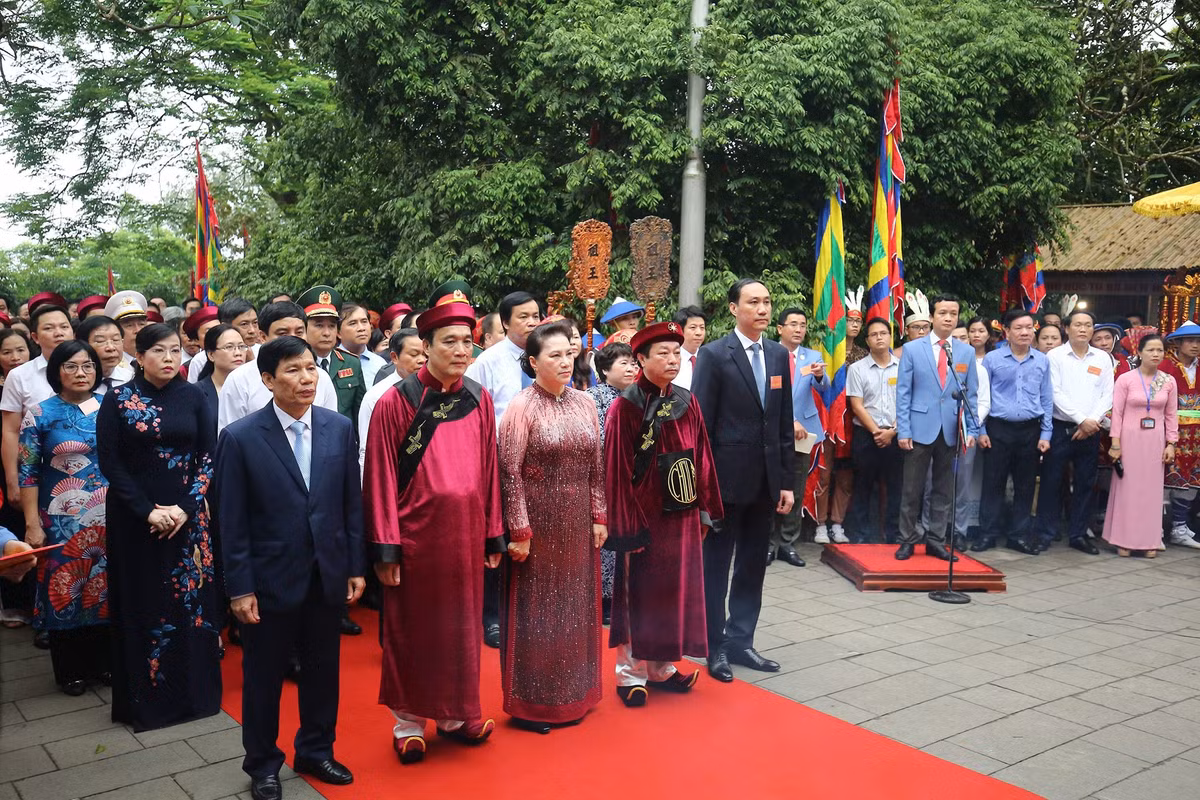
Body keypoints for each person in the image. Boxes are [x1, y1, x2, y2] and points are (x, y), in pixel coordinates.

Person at [215, 336, 365, 799]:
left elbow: (350, 505)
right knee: (263, 679)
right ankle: (262, 763)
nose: (306, 378)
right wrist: (239, 588)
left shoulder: (337, 428)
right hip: (269, 578)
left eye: (310, 369)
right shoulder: (239, 438)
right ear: (267, 379)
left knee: (324, 671)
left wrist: (355, 566)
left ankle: (316, 750)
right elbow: (231, 522)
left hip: (326, 573)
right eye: (293, 371)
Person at [362, 302, 504, 762]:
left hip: (465, 537)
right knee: (414, 630)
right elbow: (380, 477)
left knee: (462, 628)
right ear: (425, 346)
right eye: (450, 341)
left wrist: (492, 533)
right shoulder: (395, 402)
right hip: (416, 541)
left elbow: (489, 469)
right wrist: (387, 548)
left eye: (467, 341)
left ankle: (457, 714)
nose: (461, 350)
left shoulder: (479, 398)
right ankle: (408, 721)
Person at [97, 323, 219, 731]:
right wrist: (148, 510)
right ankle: (146, 701)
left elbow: (208, 456)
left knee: (190, 604)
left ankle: (194, 697)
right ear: (140, 357)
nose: (169, 359)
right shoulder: (118, 400)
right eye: (159, 352)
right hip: (136, 520)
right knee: (143, 600)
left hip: (188, 520)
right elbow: (110, 463)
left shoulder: (195, 396)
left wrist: (186, 507)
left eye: (175, 351)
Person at [603, 321, 722, 706]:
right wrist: (625, 525)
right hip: (644, 518)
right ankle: (630, 674)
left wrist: (706, 509)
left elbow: (702, 456)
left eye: (676, 352)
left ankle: (661, 668)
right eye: (662, 354)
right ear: (640, 359)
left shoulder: (687, 400)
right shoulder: (626, 406)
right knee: (640, 595)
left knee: (672, 593)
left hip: (681, 515)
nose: (673, 360)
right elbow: (616, 470)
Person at [497, 320, 606, 733]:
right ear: (533, 362)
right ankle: (534, 704)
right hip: (538, 526)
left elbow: (597, 464)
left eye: (568, 353)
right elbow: (509, 472)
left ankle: (576, 693)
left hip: (578, 522)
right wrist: (520, 531)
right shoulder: (521, 407)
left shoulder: (584, 403)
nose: (565, 362)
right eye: (554, 355)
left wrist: (600, 515)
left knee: (577, 608)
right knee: (538, 612)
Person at [693, 278, 793, 682]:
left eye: (767, 301)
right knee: (716, 565)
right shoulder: (715, 356)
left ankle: (741, 640)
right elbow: (700, 427)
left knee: (753, 565)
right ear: (734, 309)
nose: (763, 309)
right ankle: (713, 646)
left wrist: (785, 480)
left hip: (766, 480)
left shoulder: (778, 355)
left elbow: (783, 421)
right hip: (725, 481)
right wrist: (704, 486)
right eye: (754, 302)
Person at [18, 340, 110, 696]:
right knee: (64, 589)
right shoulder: (40, 414)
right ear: (57, 371)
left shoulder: (109, 407)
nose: (81, 372)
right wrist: (31, 522)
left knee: (104, 586)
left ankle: (104, 665)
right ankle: (70, 670)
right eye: (71, 366)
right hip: (60, 518)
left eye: (88, 365)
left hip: (108, 513)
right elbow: (27, 471)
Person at [466, 290, 541, 648]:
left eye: (536, 315)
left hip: (541, 464)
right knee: (500, 537)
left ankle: (529, 611)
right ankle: (492, 617)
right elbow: (478, 415)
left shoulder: (545, 355)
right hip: (499, 460)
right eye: (524, 317)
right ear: (506, 322)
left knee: (534, 539)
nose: (532, 322)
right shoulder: (488, 361)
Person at [895, 294, 978, 561]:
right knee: (912, 489)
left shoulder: (965, 352)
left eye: (953, 313)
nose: (948, 318)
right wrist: (904, 430)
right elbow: (903, 393)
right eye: (943, 313)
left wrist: (973, 430)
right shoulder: (913, 349)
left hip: (952, 429)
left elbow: (971, 394)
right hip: (919, 428)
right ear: (932, 317)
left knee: (944, 489)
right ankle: (907, 539)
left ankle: (936, 540)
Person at [1036, 310, 1114, 554]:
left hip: (1091, 430)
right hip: (1060, 428)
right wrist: (1081, 419)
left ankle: (1078, 534)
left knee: (1085, 483)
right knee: (1051, 482)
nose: (1083, 329)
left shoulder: (1102, 358)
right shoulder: (1055, 356)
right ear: (1066, 328)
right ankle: (1045, 533)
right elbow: (1054, 393)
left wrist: (1091, 421)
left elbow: (1107, 394)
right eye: (1078, 324)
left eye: (1088, 325)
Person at [975, 310, 1053, 554]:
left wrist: (1045, 434)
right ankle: (987, 533)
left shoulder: (1042, 360)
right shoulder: (992, 359)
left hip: (1030, 430)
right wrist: (981, 429)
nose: (1025, 332)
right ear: (1006, 332)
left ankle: (1018, 535)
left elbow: (1047, 398)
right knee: (992, 484)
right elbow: (981, 397)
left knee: (1025, 486)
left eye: (1029, 327)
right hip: (998, 429)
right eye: (1019, 328)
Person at [1104, 334, 1177, 557]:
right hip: (1129, 437)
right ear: (1139, 353)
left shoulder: (1168, 381)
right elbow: (1117, 413)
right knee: (1128, 489)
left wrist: (1171, 443)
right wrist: (1115, 443)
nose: (1156, 354)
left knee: (1151, 491)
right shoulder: (1125, 380)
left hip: (1155, 440)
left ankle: (1149, 540)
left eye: (1160, 351)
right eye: (1151, 350)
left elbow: (1171, 414)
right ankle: (1123, 539)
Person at [218, 302, 339, 433]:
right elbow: (231, 436)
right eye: (283, 333)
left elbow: (331, 431)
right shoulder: (239, 380)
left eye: (299, 332)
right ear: (263, 337)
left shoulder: (321, 378)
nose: (292, 339)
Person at [2, 303, 74, 508]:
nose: (58, 333)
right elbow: (10, 430)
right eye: (49, 328)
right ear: (34, 336)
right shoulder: (20, 376)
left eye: (64, 326)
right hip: (36, 476)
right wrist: (12, 480)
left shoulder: (89, 370)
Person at [586, 341, 638, 622]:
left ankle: (624, 595)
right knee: (606, 541)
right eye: (624, 363)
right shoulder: (594, 398)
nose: (631, 368)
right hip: (604, 479)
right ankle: (605, 600)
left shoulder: (637, 397)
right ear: (605, 369)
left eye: (633, 363)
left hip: (633, 481)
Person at [771, 307, 825, 560]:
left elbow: (824, 389)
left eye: (802, 325)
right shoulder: (768, 354)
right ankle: (769, 543)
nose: (798, 329)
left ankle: (787, 543)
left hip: (804, 433)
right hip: (773, 429)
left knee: (797, 485)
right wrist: (788, 420)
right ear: (780, 328)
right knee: (771, 486)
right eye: (793, 324)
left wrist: (821, 375)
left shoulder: (812, 356)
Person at [846, 317, 902, 543]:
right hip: (866, 436)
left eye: (883, 333)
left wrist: (893, 431)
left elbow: (907, 402)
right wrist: (877, 432)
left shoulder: (903, 367)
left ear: (890, 337)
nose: (879, 337)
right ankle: (861, 535)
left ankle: (893, 534)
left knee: (896, 487)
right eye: (874, 335)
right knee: (862, 485)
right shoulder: (857, 369)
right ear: (867, 341)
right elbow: (856, 405)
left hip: (896, 435)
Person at [358, 328, 426, 473]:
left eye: (426, 354)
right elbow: (367, 451)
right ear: (394, 357)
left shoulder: (440, 389)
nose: (422, 360)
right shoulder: (376, 397)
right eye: (414, 355)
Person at [297, 286, 367, 421]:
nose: (327, 333)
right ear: (303, 327)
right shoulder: (295, 364)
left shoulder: (351, 362)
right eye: (319, 325)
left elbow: (359, 414)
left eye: (332, 326)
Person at [1160, 321, 1200, 549]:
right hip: (1171, 431)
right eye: (1190, 341)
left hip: (1197, 434)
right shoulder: (1165, 366)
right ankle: (1155, 527)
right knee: (1165, 478)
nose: (1195, 346)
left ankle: (1179, 527)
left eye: (1198, 341)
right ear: (1178, 343)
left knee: (1192, 480)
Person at [195, 324, 249, 426]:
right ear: (211, 355)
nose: (238, 353)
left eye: (241, 347)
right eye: (229, 347)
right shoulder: (197, 392)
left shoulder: (255, 385)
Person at [75, 315, 135, 394]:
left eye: (115, 340)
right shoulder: (74, 384)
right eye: (100, 341)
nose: (110, 348)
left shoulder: (132, 378)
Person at [338, 302, 387, 385]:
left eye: (364, 321)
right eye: (353, 323)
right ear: (338, 332)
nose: (361, 328)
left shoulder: (380, 364)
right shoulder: (331, 363)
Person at [671, 306, 708, 390]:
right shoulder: (671, 360)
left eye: (702, 328)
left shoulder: (709, 358)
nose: (699, 333)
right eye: (693, 327)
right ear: (680, 330)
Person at [104, 290, 150, 359]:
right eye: (129, 325)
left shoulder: (156, 361)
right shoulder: (111, 367)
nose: (138, 330)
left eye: (141, 324)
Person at [183, 306, 222, 383]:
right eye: (209, 332)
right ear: (197, 340)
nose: (216, 335)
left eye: (219, 329)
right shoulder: (198, 361)